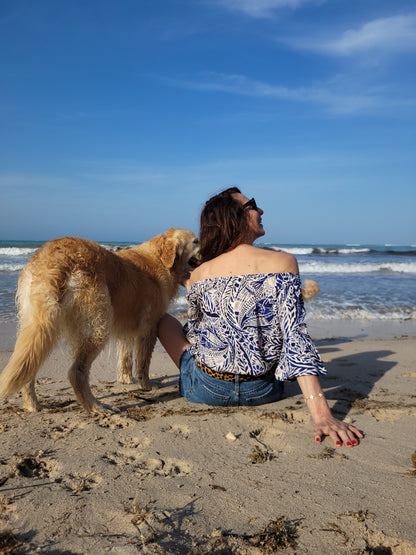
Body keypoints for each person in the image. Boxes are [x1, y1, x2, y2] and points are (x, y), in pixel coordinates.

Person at [158, 187, 363, 447]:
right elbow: (295, 337)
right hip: (263, 391)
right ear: (233, 217)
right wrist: (321, 415)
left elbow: (198, 334)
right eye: (252, 205)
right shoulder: (283, 262)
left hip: (206, 390)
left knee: (164, 321)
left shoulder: (200, 273)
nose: (260, 210)